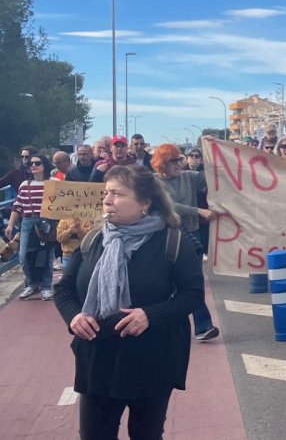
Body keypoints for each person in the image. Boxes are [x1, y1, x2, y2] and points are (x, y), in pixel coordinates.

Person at [53, 164, 204, 440]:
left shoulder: (174, 242)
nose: (107, 200)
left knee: (146, 434)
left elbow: (192, 294)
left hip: (152, 358)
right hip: (98, 358)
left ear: (145, 202)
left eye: (118, 194)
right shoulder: (93, 240)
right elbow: (63, 289)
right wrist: (74, 317)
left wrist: (150, 315)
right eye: (107, 193)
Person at [153, 145, 220, 342]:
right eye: (174, 160)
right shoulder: (153, 182)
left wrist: (211, 150)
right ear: (163, 162)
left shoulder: (189, 177)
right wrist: (198, 211)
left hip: (192, 235)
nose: (178, 164)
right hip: (167, 237)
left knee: (193, 282)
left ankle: (203, 326)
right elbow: (168, 205)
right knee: (171, 284)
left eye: (179, 159)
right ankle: (166, 322)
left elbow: (212, 174)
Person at [5, 153, 54, 300]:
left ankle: (46, 286)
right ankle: (31, 284)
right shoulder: (25, 185)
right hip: (28, 221)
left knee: (45, 256)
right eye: (30, 164)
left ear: (44, 165)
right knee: (24, 256)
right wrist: (11, 225)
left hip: (47, 221)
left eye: (37, 163)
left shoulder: (54, 182)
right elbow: (18, 206)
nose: (33, 166)